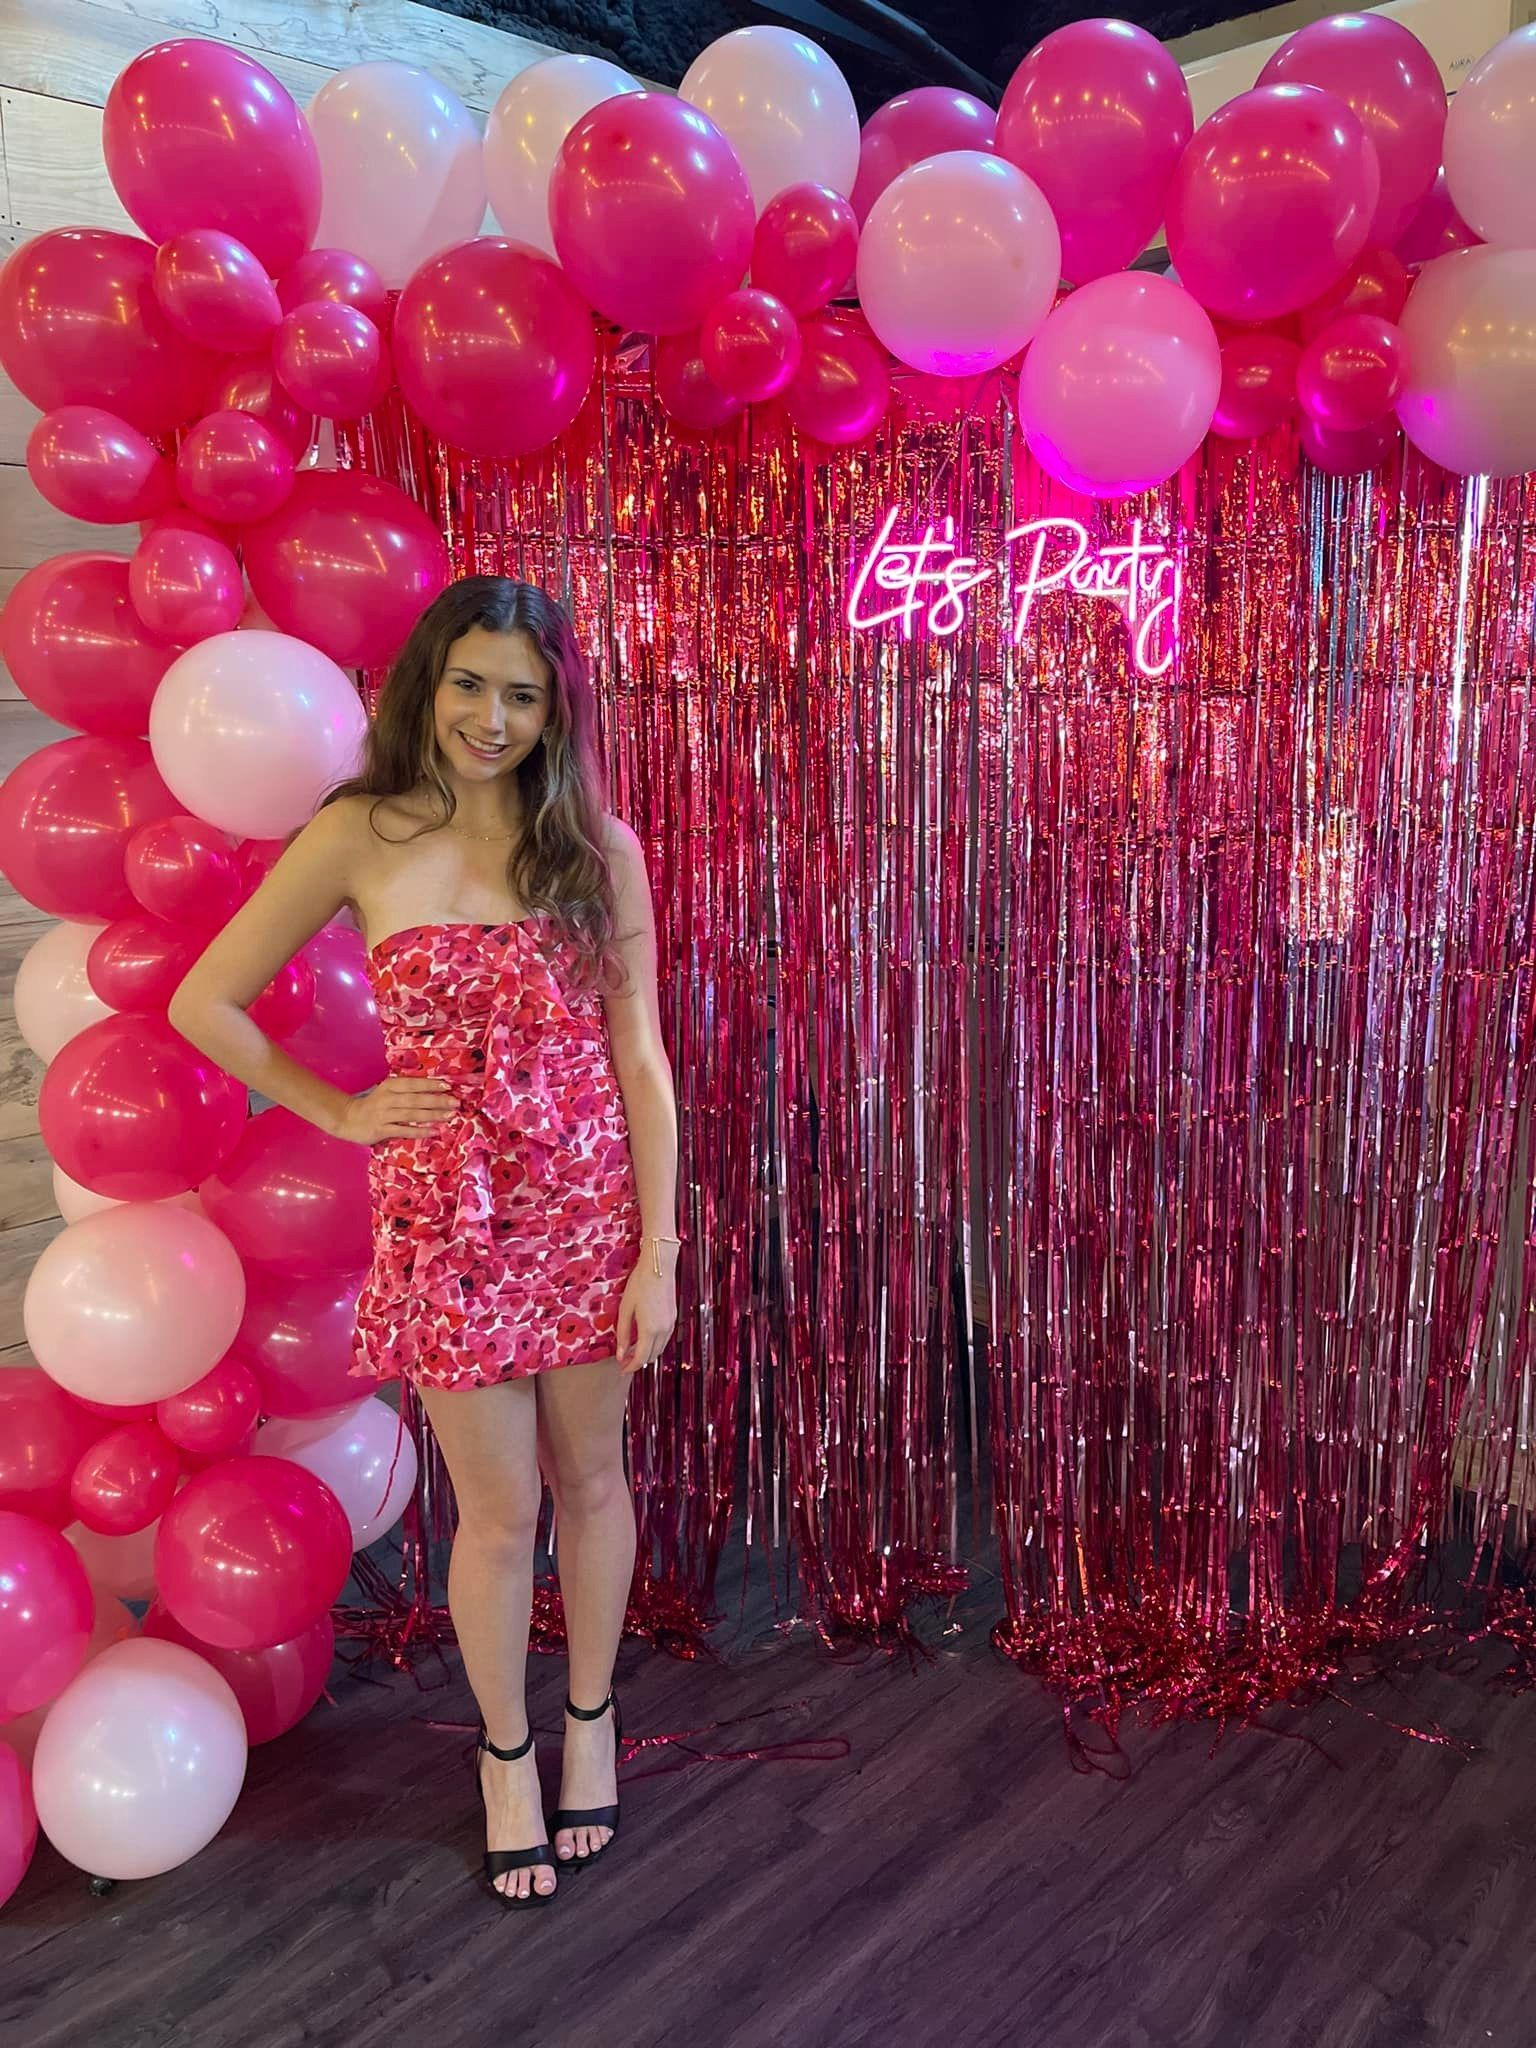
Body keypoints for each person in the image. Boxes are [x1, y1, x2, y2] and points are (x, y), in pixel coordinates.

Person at [170, 575, 680, 1911]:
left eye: (522, 694)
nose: (491, 718)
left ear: (554, 706)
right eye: (469, 685)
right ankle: (505, 1755)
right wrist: (343, 1108)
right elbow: (205, 998)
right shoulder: (361, 834)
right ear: (425, 684)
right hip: (445, 1223)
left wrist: (661, 1248)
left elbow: (642, 1056)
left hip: (586, 1213)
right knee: (500, 1511)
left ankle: (589, 1722)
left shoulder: (597, 845)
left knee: (593, 1485)